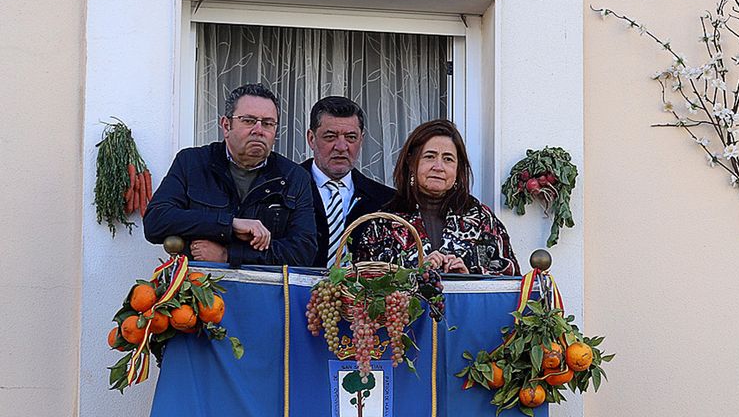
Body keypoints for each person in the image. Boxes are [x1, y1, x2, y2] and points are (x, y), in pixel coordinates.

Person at [144, 83, 320, 266]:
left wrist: (228, 255)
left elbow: (303, 252)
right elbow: (156, 221)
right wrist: (229, 224)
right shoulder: (192, 163)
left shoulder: (293, 177)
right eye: (249, 121)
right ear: (226, 126)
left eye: (268, 123)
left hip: (265, 291)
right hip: (198, 288)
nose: (259, 130)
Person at [350, 119, 519, 276]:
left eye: (448, 159)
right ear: (411, 161)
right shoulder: (386, 220)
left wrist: (468, 276)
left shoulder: (480, 218)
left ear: (458, 168)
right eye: (429, 156)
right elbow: (363, 282)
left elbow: (510, 278)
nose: (438, 167)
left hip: (467, 308)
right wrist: (415, 274)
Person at [301, 95, 395, 268]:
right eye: (330, 137)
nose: (341, 147)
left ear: (362, 139)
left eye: (351, 137)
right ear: (311, 139)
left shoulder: (385, 200)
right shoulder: (284, 189)